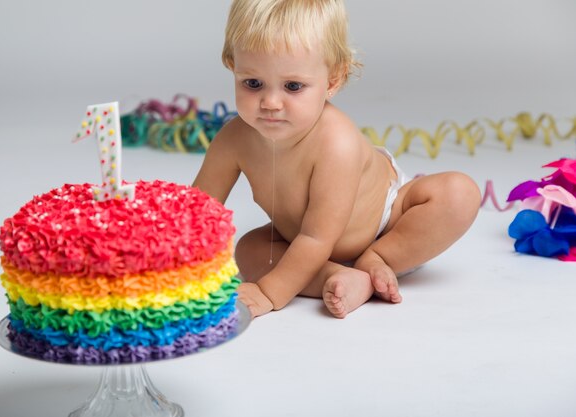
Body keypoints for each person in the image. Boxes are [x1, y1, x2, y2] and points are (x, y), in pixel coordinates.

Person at [193, 0, 481, 319]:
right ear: (233, 65)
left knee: (458, 193)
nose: (271, 102)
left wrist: (269, 291)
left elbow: (318, 236)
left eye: (293, 86)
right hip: (302, 240)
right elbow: (195, 210)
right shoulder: (233, 139)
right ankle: (340, 278)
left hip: (386, 224)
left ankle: (378, 259)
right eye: (253, 83)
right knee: (249, 249)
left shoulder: (336, 142)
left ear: (333, 80)